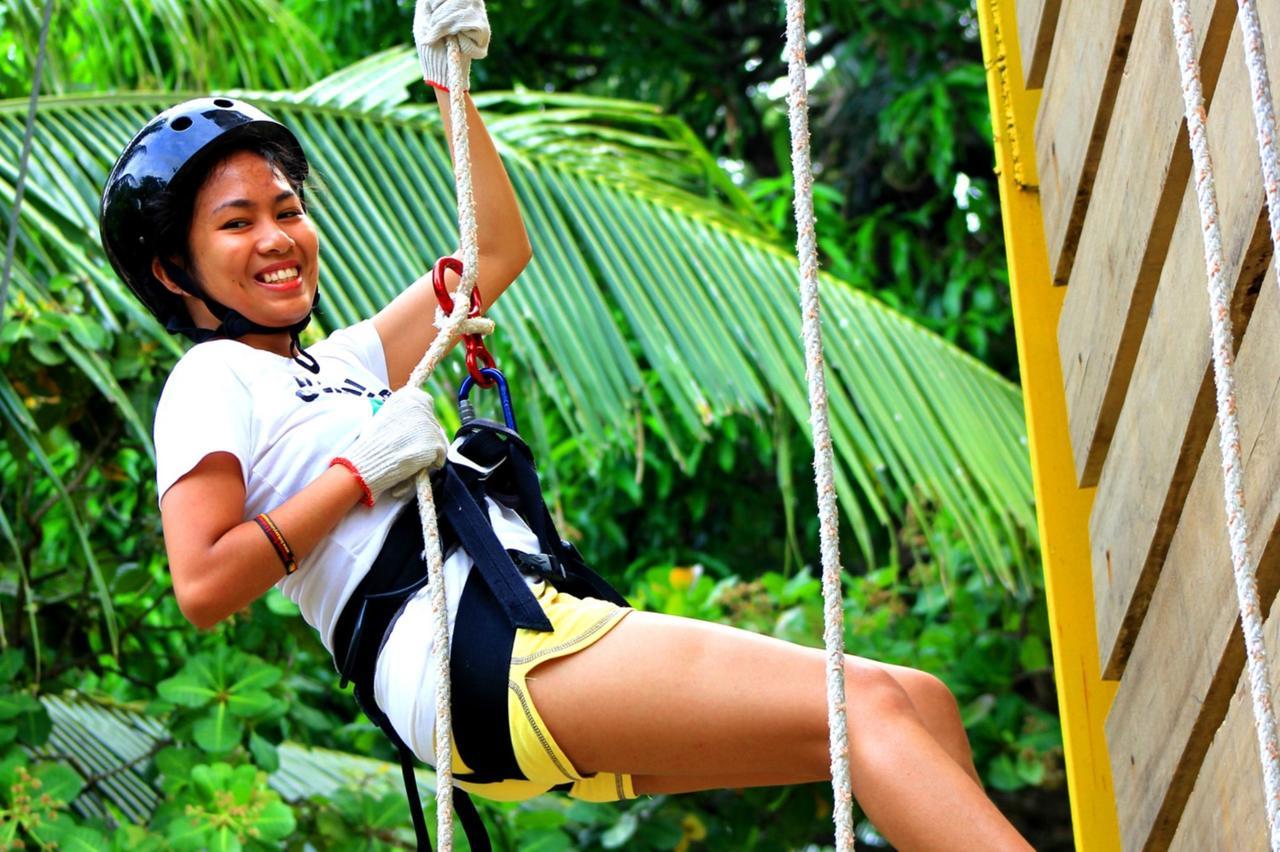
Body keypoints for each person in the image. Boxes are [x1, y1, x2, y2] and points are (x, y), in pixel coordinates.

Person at [98, 3, 1034, 850]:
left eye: (288, 210)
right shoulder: (211, 376)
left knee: (917, 704)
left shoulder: (342, 365)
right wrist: (356, 475)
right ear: (173, 270)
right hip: (460, 648)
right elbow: (204, 582)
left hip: (521, 627)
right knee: (862, 703)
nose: (276, 237)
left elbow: (496, 250)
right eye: (236, 223)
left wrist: (447, 81)